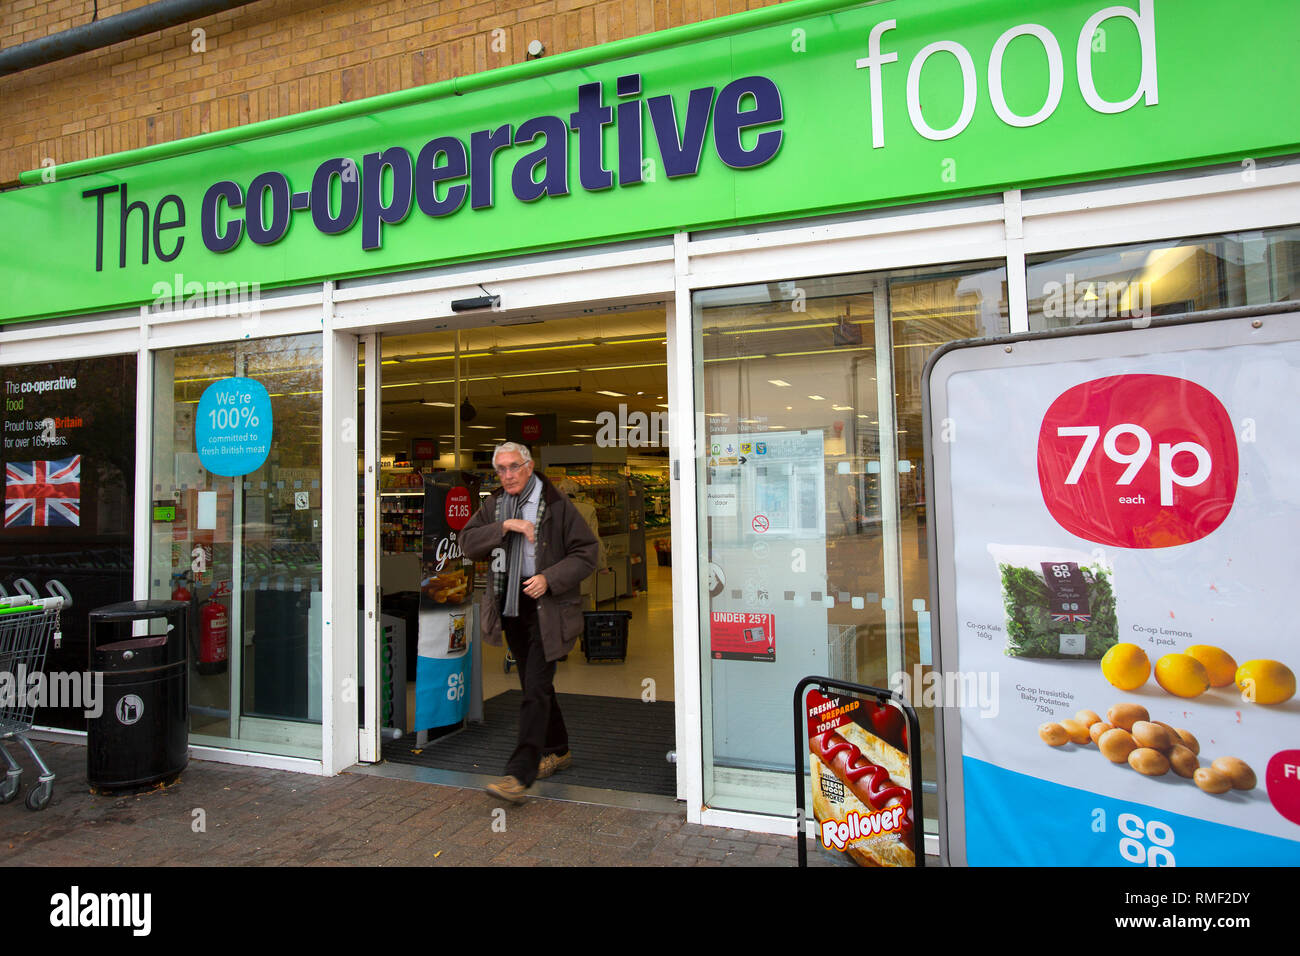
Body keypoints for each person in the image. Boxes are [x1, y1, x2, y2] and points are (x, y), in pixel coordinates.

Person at [459, 442, 598, 804]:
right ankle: (560, 748)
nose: (507, 475)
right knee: (535, 684)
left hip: (547, 608)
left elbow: (587, 553)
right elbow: (467, 542)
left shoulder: (556, 505)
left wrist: (550, 578)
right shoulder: (494, 505)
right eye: (500, 469)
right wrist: (503, 525)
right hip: (511, 605)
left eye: (513, 467)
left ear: (530, 466)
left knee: (535, 688)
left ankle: (519, 774)